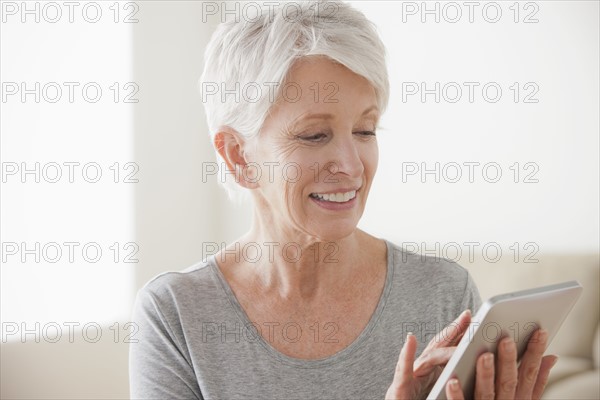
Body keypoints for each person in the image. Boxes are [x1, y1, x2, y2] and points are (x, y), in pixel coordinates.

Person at [129, 1, 557, 399]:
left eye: (366, 130)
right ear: (238, 156)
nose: (352, 166)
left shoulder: (444, 294)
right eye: (315, 135)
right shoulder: (176, 314)